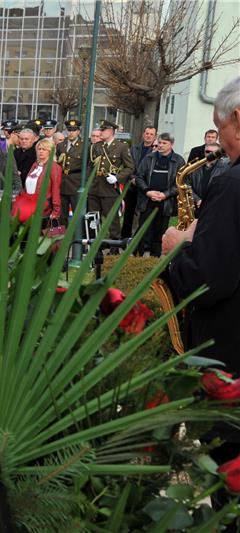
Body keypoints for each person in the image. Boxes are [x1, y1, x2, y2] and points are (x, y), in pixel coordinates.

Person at [162, 76, 240, 503]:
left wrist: (180, 247)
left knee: (227, 485)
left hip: (229, 366)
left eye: (220, 127)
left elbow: (208, 281)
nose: (221, 141)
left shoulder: (231, 184)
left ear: (238, 120)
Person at [133, 133, 185, 257]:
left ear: (171, 145)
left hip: (165, 203)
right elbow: (139, 177)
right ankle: (138, 259)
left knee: (160, 233)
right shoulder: (149, 158)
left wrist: (165, 194)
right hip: (148, 200)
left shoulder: (178, 161)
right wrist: (147, 191)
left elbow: (182, 182)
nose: (160, 145)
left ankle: (155, 259)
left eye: (164, 143)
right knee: (143, 231)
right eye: (160, 142)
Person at [88, 120, 134, 241]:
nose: (100, 132)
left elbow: (130, 167)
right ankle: (94, 244)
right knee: (93, 219)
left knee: (111, 219)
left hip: (109, 188)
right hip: (94, 187)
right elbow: (90, 166)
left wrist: (117, 178)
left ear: (110, 131)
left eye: (103, 130)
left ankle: (114, 246)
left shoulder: (122, 146)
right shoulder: (97, 146)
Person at [124, 126, 158, 238]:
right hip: (132, 185)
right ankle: (125, 237)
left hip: (146, 186)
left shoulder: (156, 150)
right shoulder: (134, 149)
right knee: (129, 213)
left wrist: (141, 181)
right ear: (143, 134)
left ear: (155, 136)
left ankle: (140, 239)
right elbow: (129, 165)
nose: (148, 136)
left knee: (143, 214)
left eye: (151, 134)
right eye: (147, 133)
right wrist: (133, 178)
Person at [20, 137, 62, 222]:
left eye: (44, 149)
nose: (41, 151)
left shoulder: (54, 167)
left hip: (43, 208)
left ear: (50, 151)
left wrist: (56, 210)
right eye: (39, 149)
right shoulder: (35, 165)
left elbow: (55, 190)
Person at [57, 119, 84, 225]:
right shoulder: (61, 145)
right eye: (69, 130)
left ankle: (77, 237)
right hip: (63, 181)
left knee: (77, 213)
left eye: (74, 130)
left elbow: (88, 166)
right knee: (62, 214)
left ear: (78, 132)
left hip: (76, 181)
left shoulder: (84, 145)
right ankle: (61, 237)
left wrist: (84, 181)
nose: (71, 133)